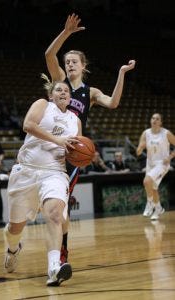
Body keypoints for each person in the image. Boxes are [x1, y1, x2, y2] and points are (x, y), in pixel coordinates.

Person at [45, 13, 136, 263]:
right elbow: (48, 56)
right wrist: (66, 33)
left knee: (60, 207)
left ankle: (61, 252)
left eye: (74, 61)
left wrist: (121, 73)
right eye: (68, 62)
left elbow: (114, 103)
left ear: (83, 66)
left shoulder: (90, 92)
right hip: (50, 148)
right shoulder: (59, 83)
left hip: (72, 155)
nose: (70, 65)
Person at [3, 77, 81, 286]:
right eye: (58, 90)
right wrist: (58, 140)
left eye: (66, 90)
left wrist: (81, 153)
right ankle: (13, 248)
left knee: (55, 214)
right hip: (27, 170)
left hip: (54, 172)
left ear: (70, 97)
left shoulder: (75, 120)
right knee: (14, 228)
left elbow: (77, 150)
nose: (63, 92)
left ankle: (54, 268)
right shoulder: (43, 105)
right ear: (51, 94)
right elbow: (28, 125)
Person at [136, 113, 175, 220]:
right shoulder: (146, 133)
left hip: (162, 163)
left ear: (161, 122)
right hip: (150, 163)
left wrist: (170, 156)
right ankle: (158, 208)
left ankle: (150, 204)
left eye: (157, 119)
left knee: (146, 181)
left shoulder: (166, 133)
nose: (155, 120)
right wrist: (140, 148)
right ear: (150, 120)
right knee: (153, 188)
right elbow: (138, 152)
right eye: (153, 118)